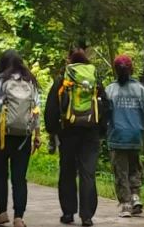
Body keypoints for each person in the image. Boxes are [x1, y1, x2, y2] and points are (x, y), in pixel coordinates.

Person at [0, 50, 42, 227]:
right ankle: (19, 217)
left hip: (0, 134)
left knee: (0, 174)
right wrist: (37, 134)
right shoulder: (30, 81)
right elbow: (36, 109)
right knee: (19, 177)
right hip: (24, 135)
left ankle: (2, 213)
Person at [45, 49, 108, 226]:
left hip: (68, 131)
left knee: (67, 171)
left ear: (70, 61)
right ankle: (87, 216)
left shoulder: (64, 80)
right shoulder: (94, 79)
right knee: (88, 173)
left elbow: (51, 107)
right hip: (90, 132)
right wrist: (101, 130)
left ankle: (68, 213)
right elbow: (105, 105)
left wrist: (53, 130)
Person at [105, 55, 144, 218]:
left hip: (117, 136)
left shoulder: (110, 89)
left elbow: (105, 113)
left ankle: (126, 204)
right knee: (134, 167)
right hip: (134, 135)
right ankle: (135, 196)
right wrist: (140, 127)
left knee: (121, 171)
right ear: (131, 69)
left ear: (116, 70)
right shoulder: (139, 89)